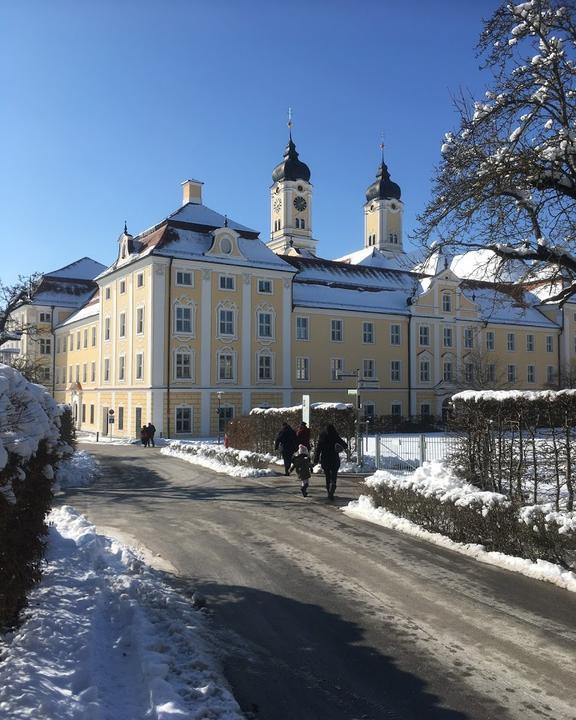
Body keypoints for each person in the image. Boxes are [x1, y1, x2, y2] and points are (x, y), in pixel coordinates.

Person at [313, 423, 347, 500]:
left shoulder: (322, 436)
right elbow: (345, 445)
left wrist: (316, 458)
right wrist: (339, 447)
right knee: (334, 473)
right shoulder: (335, 435)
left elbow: (318, 449)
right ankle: (333, 483)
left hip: (325, 458)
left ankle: (329, 491)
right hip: (334, 458)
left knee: (327, 475)